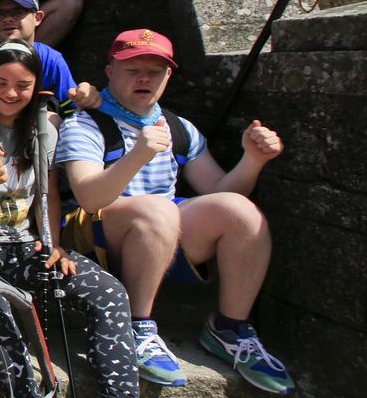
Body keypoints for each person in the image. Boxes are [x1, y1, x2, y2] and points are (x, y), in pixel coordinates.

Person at [56, 29, 296, 394]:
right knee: (158, 210)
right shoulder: (86, 122)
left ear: (168, 76)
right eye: (132, 68)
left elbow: (218, 192)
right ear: (109, 71)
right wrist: (138, 154)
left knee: (241, 212)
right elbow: (89, 197)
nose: (143, 78)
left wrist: (253, 159)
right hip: (97, 238)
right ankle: (135, 328)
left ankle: (230, 328)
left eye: (154, 71)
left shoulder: (179, 128)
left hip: (160, 235)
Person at [0, 40, 138, 398]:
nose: (11, 93)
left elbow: (45, 192)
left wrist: (54, 243)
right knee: (0, 314)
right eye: (0, 82)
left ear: (37, 88)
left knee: (109, 293)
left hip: (21, 243)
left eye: (22, 85)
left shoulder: (43, 129)